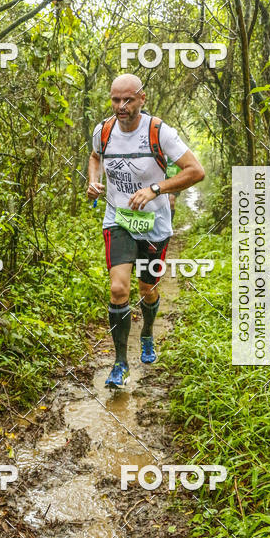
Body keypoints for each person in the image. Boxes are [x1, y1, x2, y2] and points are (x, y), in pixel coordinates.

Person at [87, 74, 205, 389]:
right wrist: (93, 180)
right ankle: (120, 363)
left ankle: (148, 333)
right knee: (118, 290)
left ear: (143, 98)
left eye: (128, 100)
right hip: (119, 219)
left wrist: (156, 188)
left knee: (147, 290)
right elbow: (95, 156)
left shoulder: (159, 132)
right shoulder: (104, 131)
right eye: (115, 100)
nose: (121, 106)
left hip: (154, 223)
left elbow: (196, 171)